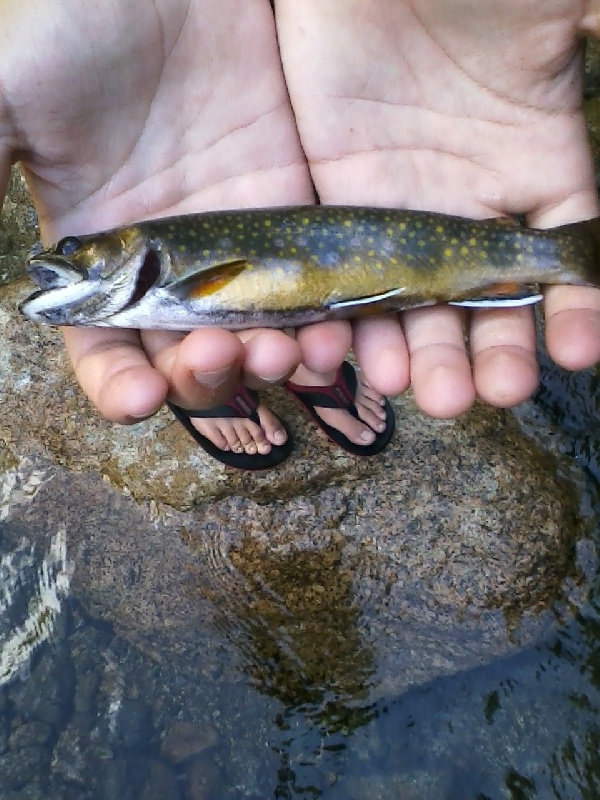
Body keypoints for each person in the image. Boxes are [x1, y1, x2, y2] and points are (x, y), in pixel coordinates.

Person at [2, 0, 600, 467]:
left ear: (136, 250)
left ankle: (300, 372)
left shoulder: (166, 262)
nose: (64, 260)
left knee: (244, 349)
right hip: (289, 140)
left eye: (75, 252)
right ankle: (295, 373)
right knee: (221, 358)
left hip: (317, 135)